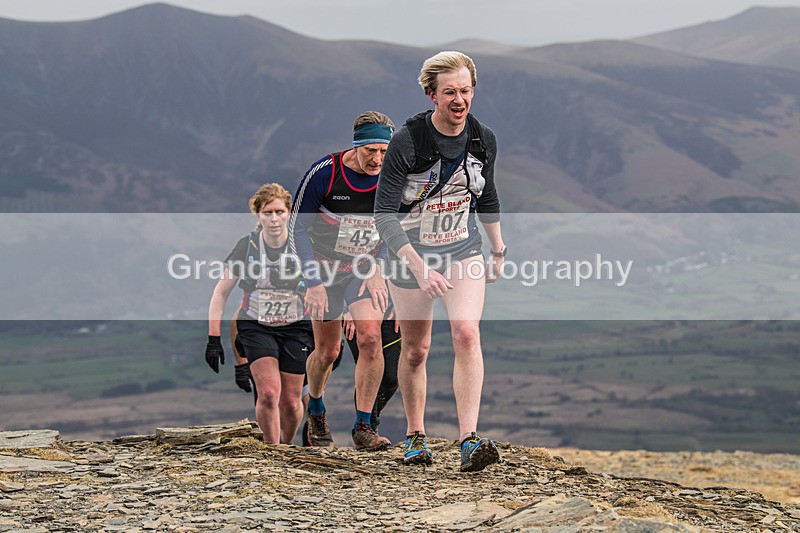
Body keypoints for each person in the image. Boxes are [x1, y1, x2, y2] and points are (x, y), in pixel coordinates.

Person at [374, 51, 506, 471]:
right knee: (416, 350)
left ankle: (469, 439)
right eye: (449, 91)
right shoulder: (409, 141)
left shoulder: (483, 139)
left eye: (466, 90)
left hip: (461, 249)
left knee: (467, 333)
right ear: (432, 94)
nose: (459, 99)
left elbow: (486, 194)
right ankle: (415, 436)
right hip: (408, 254)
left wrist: (498, 249)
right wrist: (416, 265)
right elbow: (383, 214)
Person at [289, 111, 395, 451]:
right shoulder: (326, 173)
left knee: (369, 339)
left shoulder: (392, 176)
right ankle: (316, 406)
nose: (378, 159)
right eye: (371, 151)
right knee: (328, 351)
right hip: (323, 271)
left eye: (384, 151)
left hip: (362, 268)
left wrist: (378, 267)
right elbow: (298, 228)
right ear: (356, 146)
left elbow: (394, 227)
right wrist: (313, 281)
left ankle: (363, 424)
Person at [205, 183, 312, 444]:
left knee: (290, 400)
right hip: (257, 325)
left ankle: (287, 445)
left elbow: (328, 286)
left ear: (289, 213)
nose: (274, 219)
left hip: (297, 326)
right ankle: (272, 451)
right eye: (267, 213)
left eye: (279, 212)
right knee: (267, 394)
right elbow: (220, 293)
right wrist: (213, 339)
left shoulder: (304, 244)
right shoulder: (248, 246)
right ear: (258, 215)